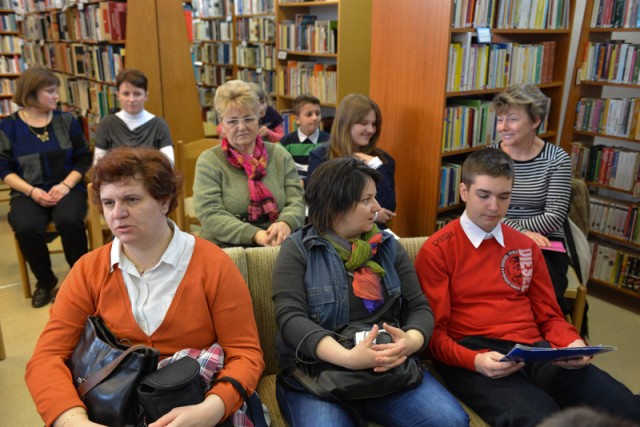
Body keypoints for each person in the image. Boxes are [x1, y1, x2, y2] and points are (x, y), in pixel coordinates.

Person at [25, 147, 264, 427]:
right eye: (108, 203)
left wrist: (212, 408)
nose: (117, 213)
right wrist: (74, 420)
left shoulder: (213, 265)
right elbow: (47, 357)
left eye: (132, 199)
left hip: (195, 402)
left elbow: (245, 353)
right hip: (110, 410)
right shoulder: (88, 270)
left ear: (164, 201)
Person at [415, 147, 640, 427]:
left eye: (504, 196)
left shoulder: (524, 245)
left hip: (534, 349)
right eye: (484, 195)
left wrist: (571, 342)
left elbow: (550, 315)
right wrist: (474, 361)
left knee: (624, 405)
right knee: (540, 419)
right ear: (464, 191)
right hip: (475, 354)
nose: (494, 207)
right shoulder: (437, 250)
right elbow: (435, 336)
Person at [273, 157, 468, 427]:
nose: (376, 207)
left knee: (451, 421)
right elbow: (290, 318)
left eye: (374, 198)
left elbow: (419, 307)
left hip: (387, 370)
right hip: (318, 373)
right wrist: (347, 358)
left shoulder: (388, 245)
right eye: (366, 200)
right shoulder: (299, 249)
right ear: (335, 205)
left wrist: (409, 343)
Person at [0, 65, 91, 308]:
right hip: (27, 190)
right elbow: (4, 169)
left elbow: (83, 158)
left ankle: (80, 279)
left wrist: (65, 185)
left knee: (70, 220)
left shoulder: (66, 121)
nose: (56, 96)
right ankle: (45, 280)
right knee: (26, 226)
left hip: (67, 186)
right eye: (50, 91)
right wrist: (31, 191)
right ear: (31, 92)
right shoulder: (8, 127)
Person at [194, 79, 305, 248]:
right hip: (226, 247)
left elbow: (296, 200)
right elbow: (210, 214)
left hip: (278, 242)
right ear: (222, 124)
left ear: (258, 119)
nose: (241, 127)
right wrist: (255, 235)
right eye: (232, 121)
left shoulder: (280, 155)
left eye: (248, 119)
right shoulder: (209, 162)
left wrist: (286, 223)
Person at [492, 84, 572, 313]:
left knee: (543, 298)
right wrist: (521, 232)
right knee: (485, 290)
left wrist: (517, 231)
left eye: (512, 119)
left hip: (545, 241)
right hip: (494, 235)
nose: (503, 127)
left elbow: (554, 217)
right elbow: (482, 210)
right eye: (500, 119)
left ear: (535, 120)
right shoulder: (489, 157)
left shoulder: (557, 159)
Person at [307, 94, 396, 226]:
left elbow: (388, 208)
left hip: (373, 233)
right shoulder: (321, 157)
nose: (371, 130)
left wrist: (375, 165)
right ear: (345, 123)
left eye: (374, 124)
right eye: (364, 123)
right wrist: (375, 215)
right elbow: (319, 207)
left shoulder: (383, 160)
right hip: (332, 232)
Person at [93, 69, 174, 165]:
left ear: (146, 96)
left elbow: (169, 163)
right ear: (118, 96)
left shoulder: (159, 125)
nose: (131, 99)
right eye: (126, 94)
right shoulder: (106, 124)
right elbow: (98, 164)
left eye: (137, 94)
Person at [279, 94, 330, 183]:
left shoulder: (328, 141)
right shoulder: (287, 142)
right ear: (297, 119)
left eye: (317, 113)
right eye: (309, 114)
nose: (315, 118)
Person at [216, 82, 284, 142]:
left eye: (263, 102)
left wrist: (269, 133)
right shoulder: (239, 114)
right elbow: (220, 128)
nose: (261, 108)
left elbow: (281, 136)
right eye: (257, 104)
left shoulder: (271, 112)